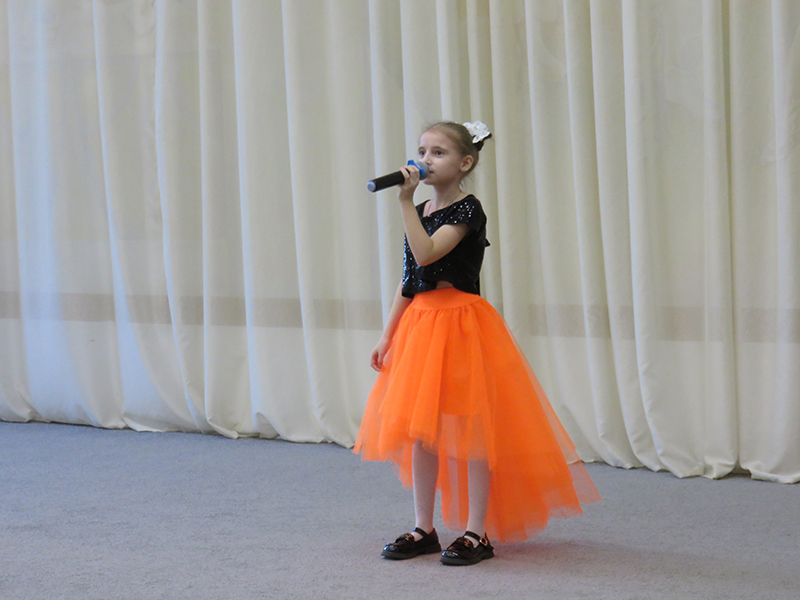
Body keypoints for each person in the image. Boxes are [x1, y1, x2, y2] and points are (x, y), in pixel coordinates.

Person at [354, 121, 600, 566]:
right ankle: (423, 527)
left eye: (438, 153)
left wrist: (404, 202)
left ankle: (476, 532)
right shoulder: (422, 209)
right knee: (422, 432)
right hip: (422, 326)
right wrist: (388, 334)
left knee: (472, 430)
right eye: (422, 151)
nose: (425, 160)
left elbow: (429, 252)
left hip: (462, 324)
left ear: (465, 162)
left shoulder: (468, 209)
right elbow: (410, 278)